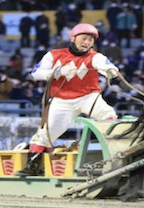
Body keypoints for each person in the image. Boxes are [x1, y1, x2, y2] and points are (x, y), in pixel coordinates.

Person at [15, 23, 120, 176]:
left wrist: (111, 71)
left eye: (90, 40)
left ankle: (112, 154)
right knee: (44, 134)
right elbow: (36, 73)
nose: (87, 43)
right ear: (73, 38)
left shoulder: (95, 56)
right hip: (61, 100)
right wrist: (57, 72)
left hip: (88, 97)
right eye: (84, 39)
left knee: (109, 115)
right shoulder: (54, 54)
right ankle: (32, 167)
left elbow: (105, 65)